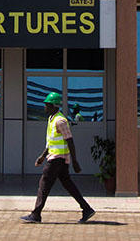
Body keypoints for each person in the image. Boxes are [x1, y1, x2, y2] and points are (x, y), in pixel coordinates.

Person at [21, 92, 95, 224]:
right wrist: (43, 156)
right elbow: (51, 142)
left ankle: (36, 214)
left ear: (54, 106)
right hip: (55, 157)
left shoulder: (60, 121)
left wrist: (75, 161)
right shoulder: (52, 119)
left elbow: (70, 141)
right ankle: (87, 209)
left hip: (58, 159)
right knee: (68, 184)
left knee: (44, 184)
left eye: (47, 105)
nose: (45, 107)